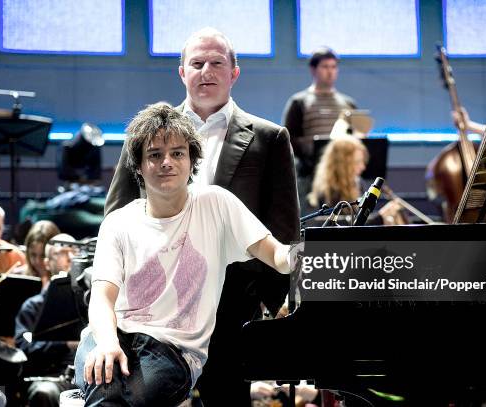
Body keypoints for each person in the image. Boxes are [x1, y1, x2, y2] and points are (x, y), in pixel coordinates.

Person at [104, 27, 299, 405]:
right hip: (150, 303)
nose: (206, 71)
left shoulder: (270, 137)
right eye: (196, 63)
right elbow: (117, 208)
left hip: (232, 302)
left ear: (234, 73)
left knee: (226, 397)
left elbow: (283, 227)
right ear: (182, 72)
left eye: (217, 63)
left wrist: (275, 301)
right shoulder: (146, 133)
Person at [74, 103, 293, 406]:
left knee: (123, 398)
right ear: (137, 165)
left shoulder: (216, 204)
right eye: (155, 155)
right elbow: (102, 297)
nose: (167, 162)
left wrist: (301, 256)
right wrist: (108, 342)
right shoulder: (118, 221)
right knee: (105, 384)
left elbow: (276, 255)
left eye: (178, 153)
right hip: (113, 333)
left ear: (192, 161)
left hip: (173, 349)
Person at [282, 47, 357, 208]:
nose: (330, 72)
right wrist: (313, 148)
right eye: (325, 67)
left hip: (343, 175)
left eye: (333, 67)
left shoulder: (348, 103)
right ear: (313, 69)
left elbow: (355, 138)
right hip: (310, 174)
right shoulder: (299, 102)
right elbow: (289, 139)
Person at [14, 233, 78, 407]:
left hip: (89, 377)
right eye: (62, 253)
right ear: (47, 263)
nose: (71, 257)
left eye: (74, 251)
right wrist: (65, 345)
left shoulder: (91, 301)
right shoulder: (32, 307)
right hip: (53, 378)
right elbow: (25, 346)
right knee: (44, 393)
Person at [308, 135, 405, 225]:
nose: (363, 167)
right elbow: (347, 230)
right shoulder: (329, 192)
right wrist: (380, 217)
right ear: (342, 165)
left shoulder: (358, 183)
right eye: (357, 162)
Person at [20, 220, 61, 287]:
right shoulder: (19, 277)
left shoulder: (66, 282)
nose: (37, 261)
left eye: (43, 256)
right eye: (33, 255)